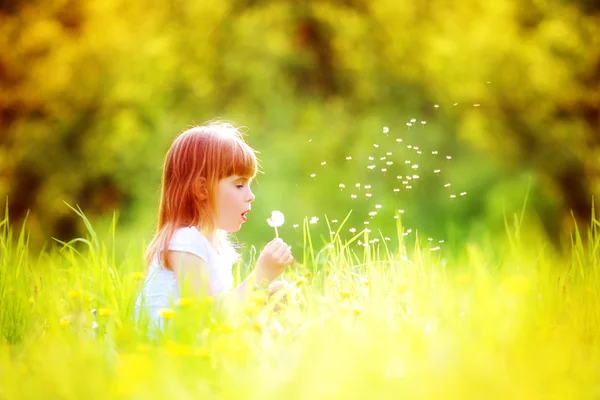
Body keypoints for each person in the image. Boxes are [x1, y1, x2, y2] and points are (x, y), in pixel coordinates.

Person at [135, 121, 294, 329]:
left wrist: (260, 300)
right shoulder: (185, 242)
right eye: (239, 185)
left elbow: (221, 312)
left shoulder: (215, 246)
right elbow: (206, 317)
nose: (251, 195)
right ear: (202, 189)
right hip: (165, 353)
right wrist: (260, 276)